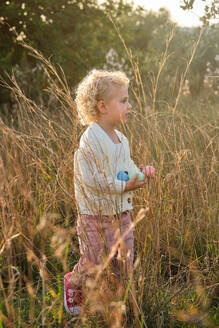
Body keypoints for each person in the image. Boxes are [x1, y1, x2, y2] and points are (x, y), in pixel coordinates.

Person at [64, 69, 155, 316]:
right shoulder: (90, 139)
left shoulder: (121, 140)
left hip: (121, 213)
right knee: (94, 261)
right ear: (103, 107)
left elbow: (127, 169)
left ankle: (115, 300)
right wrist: (124, 185)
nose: (129, 105)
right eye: (123, 101)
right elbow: (94, 180)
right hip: (95, 215)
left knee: (123, 261)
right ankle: (74, 283)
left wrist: (141, 174)